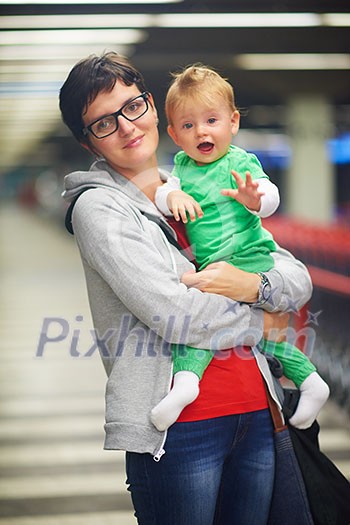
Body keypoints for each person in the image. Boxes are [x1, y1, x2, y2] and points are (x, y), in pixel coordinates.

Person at [60, 51, 313, 525]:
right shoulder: (100, 210)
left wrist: (253, 282)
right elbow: (171, 311)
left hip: (256, 409)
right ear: (89, 143)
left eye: (132, 107)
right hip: (177, 429)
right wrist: (266, 318)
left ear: (153, 108)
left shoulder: (202, 181)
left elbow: (296, 276)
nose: (127, 127)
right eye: (103, 124)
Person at [152, 64, 329, 433]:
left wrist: (254, 199)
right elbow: (161, 192)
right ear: (174, 134)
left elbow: (270, 197)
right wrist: (174, 195)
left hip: (249, 260)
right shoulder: (182, 167)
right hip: (216, 265)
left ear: (232, 123)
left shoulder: (240, 161)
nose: (201, 130)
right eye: (188, 125)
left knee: (204, 321)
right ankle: (311, 382)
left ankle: (186, 381)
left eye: (211, 120)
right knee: (255, 333)